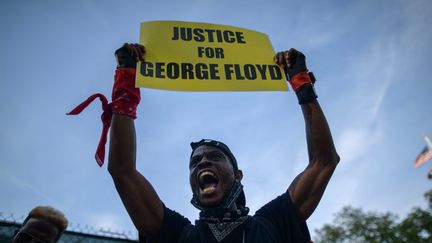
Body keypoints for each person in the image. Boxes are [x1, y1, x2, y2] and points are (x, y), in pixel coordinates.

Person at [69, 43, 339, 242]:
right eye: (195, 161)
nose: (203, 162)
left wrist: (301, 83)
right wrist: (126, 81)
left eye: (214, 157)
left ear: (238, 175)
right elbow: (122, 171)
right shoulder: (177, 233)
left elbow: (324, 161)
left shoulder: (274, 222)